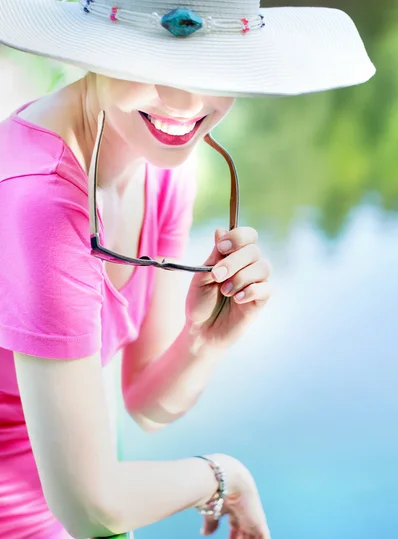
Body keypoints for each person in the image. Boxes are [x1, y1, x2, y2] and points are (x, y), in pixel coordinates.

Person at [0, 0, 375, 537]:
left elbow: (146, 407)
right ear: (94, 53)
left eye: (212, 67)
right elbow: (92, 507)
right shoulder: (39, 202)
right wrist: (226, 476)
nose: (186, 102)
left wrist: (206, 339)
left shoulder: (161, 164)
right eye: (151, 67)